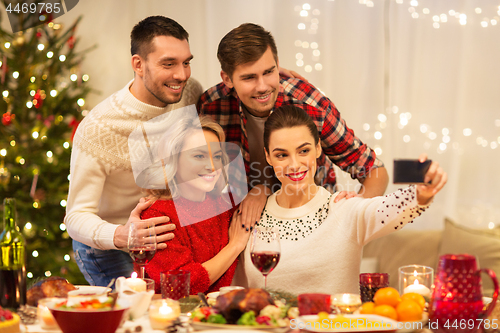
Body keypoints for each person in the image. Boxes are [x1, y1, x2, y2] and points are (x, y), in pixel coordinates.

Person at [232, 105, 447, 295]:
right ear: (268, 156)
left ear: (318, 149)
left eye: (303, 151)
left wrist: (422, 192)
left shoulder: (342, 208)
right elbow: (238, 292)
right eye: (282, 155)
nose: (294, 164)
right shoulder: (253, 214)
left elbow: (390, 208)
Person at [198, 23, 389, 230]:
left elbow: (374, 171)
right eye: (249, 77)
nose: (262, 86)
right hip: (246, 224)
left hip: (316, 223)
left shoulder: (310, 104)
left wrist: (352, 214)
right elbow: (197, 179)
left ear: (278, 64)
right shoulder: (211, 107)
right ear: (227, 79)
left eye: (269, 72)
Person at [64, 16, 203, 286]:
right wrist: (123, 235)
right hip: (109, 247)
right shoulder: (98, 127)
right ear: (138, 64)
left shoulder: (188, 94)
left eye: (186, 62)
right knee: (133, 318)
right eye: (169, 64)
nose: (182, 74)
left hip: (165, 236)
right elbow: (75, 217)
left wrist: (276, 78)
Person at [142, 114, 250, 294]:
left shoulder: (226, 204)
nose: (212, 166)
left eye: (217, 156)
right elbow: (179, 284)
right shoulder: (157, 215)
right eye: (199, 156)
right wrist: (235, 246)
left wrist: (260, 192)